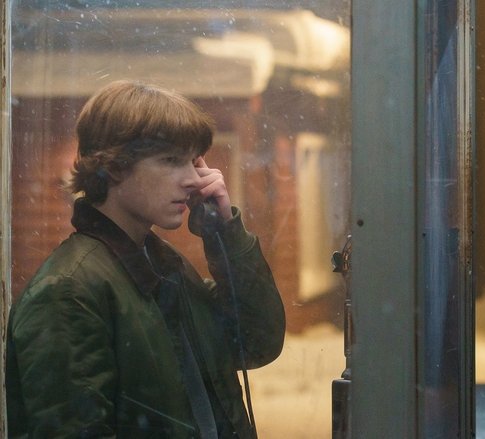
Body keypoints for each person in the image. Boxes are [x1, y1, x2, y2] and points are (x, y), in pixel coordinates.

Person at [5, 80, 286, 438]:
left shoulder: (164, 266)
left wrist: (224, 232)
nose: (194, 179)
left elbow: (257, 342)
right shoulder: (68, 291)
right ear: (115, 165)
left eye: (193, 161)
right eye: (171, 161)